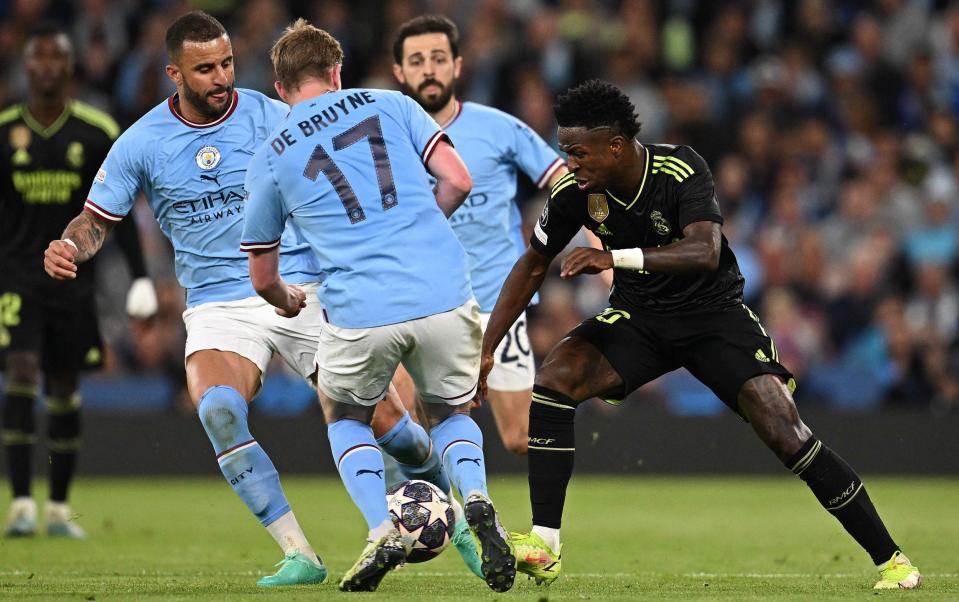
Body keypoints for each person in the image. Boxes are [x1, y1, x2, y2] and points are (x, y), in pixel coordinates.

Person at [41, 11, 450, 587]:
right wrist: (68, 245)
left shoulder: (271, 115)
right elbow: (95, 220)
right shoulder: (141, 142)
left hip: (299, 287)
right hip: (217, 304)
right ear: (173, 74)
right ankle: (300, 555)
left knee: (390, 425)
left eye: (227, 63)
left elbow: (338, 169)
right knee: (218, 409)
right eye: (204, 68)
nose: (221, 77)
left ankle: (457, 512)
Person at [479, 80, 922, 591]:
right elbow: (532, 264)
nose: (570, 163)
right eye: (565, 152)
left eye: (578, 152)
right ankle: (545, 543)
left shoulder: (679, 169)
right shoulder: (575, 195)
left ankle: (892, 560)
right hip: (640, 319)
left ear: (615, 145)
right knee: (556, 377)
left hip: (713, 317)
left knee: (786, 432)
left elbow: (704, 252)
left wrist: (613, 256)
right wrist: (487, 349)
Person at [241, 19, 515, 593]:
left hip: (360, 306)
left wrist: (286, 296)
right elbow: (459, 179)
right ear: (336, 73)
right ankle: (480, 500)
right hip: (443, 289)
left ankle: (380, 526)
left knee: (346, 416)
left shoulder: (271, 154)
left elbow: (263, 273)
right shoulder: (392, 103)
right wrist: (417, 233)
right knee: (452, 415)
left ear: (280, 87)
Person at [385, 14, 567, 455]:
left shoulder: (498, 127)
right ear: (399, 73)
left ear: (457, 66)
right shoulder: (382, 137)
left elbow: (564, 180)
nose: (428, 69)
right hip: (418, 303)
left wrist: (605, 247)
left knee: (519, 436)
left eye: (438, 58)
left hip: (495, 302)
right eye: (417, 60)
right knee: (407, 420)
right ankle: (436, 514)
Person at [1, 23, 156, 539]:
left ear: (69, 67)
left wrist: (140, 277)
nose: (46, 66)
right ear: (28, 66)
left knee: (64, 385)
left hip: (73, 282)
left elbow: (120, 210)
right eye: (38, 57)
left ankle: (58, 507)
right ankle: (21, 502)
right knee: (21, 372)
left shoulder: (95, 131)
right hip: (15, 276)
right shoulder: (3, 132)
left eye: (56, 58)